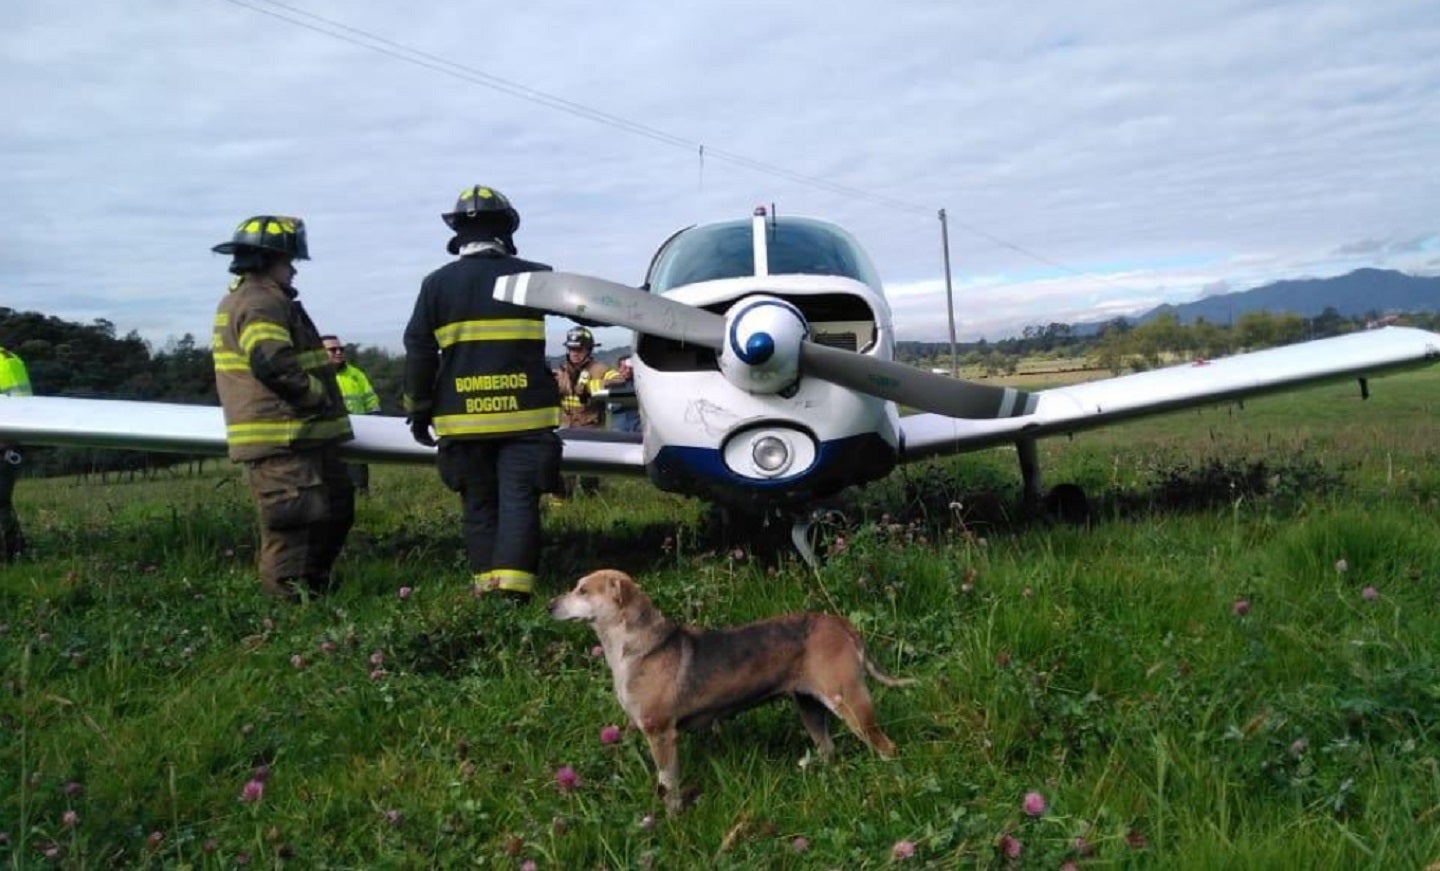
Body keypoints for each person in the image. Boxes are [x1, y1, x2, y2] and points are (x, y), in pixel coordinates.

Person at [403, 184, 563, 602]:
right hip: (526, 420)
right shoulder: (534, 276)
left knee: (478, 506)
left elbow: (419, 351)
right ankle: (513, 595)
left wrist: (419, 411)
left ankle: (487, 590)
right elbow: (591, 308)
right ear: (507, 230)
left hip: (462, 422)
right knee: (519, 502)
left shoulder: (435, 285)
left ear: (457, 233)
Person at [211, 215, 355, 601]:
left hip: (302, 437)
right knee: (294, 527)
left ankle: (314, 595)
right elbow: (272, 363)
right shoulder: (260, 302)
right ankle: (289, 610)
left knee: (334, 510)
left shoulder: (259, 298)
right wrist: (316, 397)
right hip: (284, 437)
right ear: (269, 259)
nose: (293, 270)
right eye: (289, 261)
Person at [322, 335, 381, 494]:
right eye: (333, 349)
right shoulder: (315, 376)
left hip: (356, 433)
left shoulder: (356, 374)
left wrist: (374, 418)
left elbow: (370, 398)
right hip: (328, 433)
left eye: (341, 349)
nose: (338, 352)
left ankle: (363, 499)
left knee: (358, 476)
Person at [0, 344, 32, 562]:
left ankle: (11, 553)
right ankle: (15, 550)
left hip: (5, 443)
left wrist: (6, 441)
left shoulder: (7, 362)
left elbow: (22, 409)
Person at [555, 326, 618, 429]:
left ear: (588, 350)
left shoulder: (600, 369)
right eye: (571, 349)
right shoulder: (562, 371)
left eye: (579, 350)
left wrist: (592, 386)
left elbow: (619, 380)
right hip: (565, 427)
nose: (575, 354)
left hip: (590, 429)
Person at [605, 354, 641, 433]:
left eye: (631, 368)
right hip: (619, 427)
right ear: (618, 369)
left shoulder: (640, 384)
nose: (628, 371)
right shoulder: (611, 383)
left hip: (637, 426)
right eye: (624, 368)